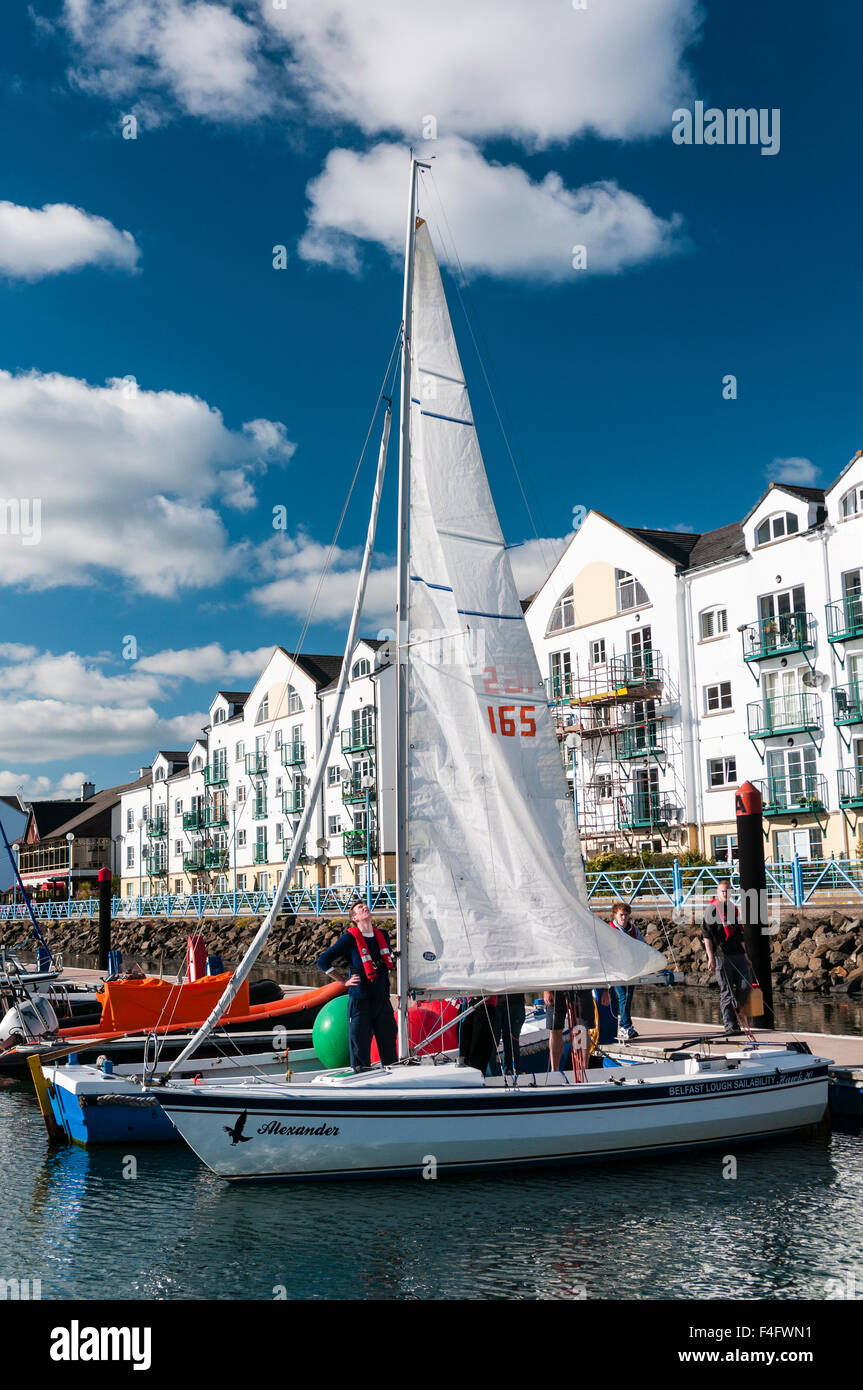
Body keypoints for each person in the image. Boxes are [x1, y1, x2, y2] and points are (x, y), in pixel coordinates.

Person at [317, 901, 398, 1070]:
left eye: (365, 906)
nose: (365, 907)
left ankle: (393, 1077)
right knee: (360, 1045)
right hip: (360, 1000)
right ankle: (361, 1078)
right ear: (355, 918)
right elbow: (323, 961)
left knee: (389, 1041)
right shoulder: (349, 939)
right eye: (360, 908)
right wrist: (342, 981)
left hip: (381, 999)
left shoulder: (382, 935)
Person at [702, 878, 752, 1035]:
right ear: (718, 893)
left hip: (738, 953)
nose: (725, 893)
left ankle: (735, 1009)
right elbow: (707, 936)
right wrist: (710, 957)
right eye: (722, 891)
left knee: (745, 986)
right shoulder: (711, 911)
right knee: (726, 991)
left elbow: (740, 935)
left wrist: (746, 955)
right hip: (722, 956)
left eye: (728, 891)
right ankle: (730, 1024)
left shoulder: (733, 908)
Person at [609, 900, 646, 1042]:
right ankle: (624, 1027)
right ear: (615, 915)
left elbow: (643, 945)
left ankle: (627, 1025)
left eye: (626, 915)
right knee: (623, 996)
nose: (623, 918)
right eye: (621, 915)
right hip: (617, 969)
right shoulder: (611, 929)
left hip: (631, 969)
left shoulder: (633, 930)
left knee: (629, 996)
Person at [543, 989, 596, 1074]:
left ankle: (583, 1071)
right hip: (555, 988)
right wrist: (547, 990)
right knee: (554, 1030)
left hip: (581, 987)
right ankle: (554, 1071)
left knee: (581, 1030)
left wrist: (605, 990)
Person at [491, 993, 527, 1076]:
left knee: (512, 1040)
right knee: (492, 1041)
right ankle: (489, 1075)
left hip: (516, 1002)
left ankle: (512, 1070)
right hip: (495, 1002)